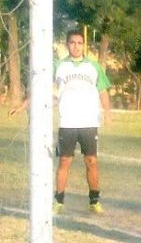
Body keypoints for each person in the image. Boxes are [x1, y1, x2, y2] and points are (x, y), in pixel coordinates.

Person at [9, 29, 112, 214]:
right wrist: (23, 105)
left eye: (80, 43)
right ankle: (59, 201)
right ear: (67, 45)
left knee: (91, 161)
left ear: (84, 45)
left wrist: (108, 112)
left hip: (89, 123)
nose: (76, 46)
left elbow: (103, 91)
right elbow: (41, 88)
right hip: (67, 123)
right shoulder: (59, 66)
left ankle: (94, 201)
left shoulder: (93, 67)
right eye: (72, 43)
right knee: (64, 161)